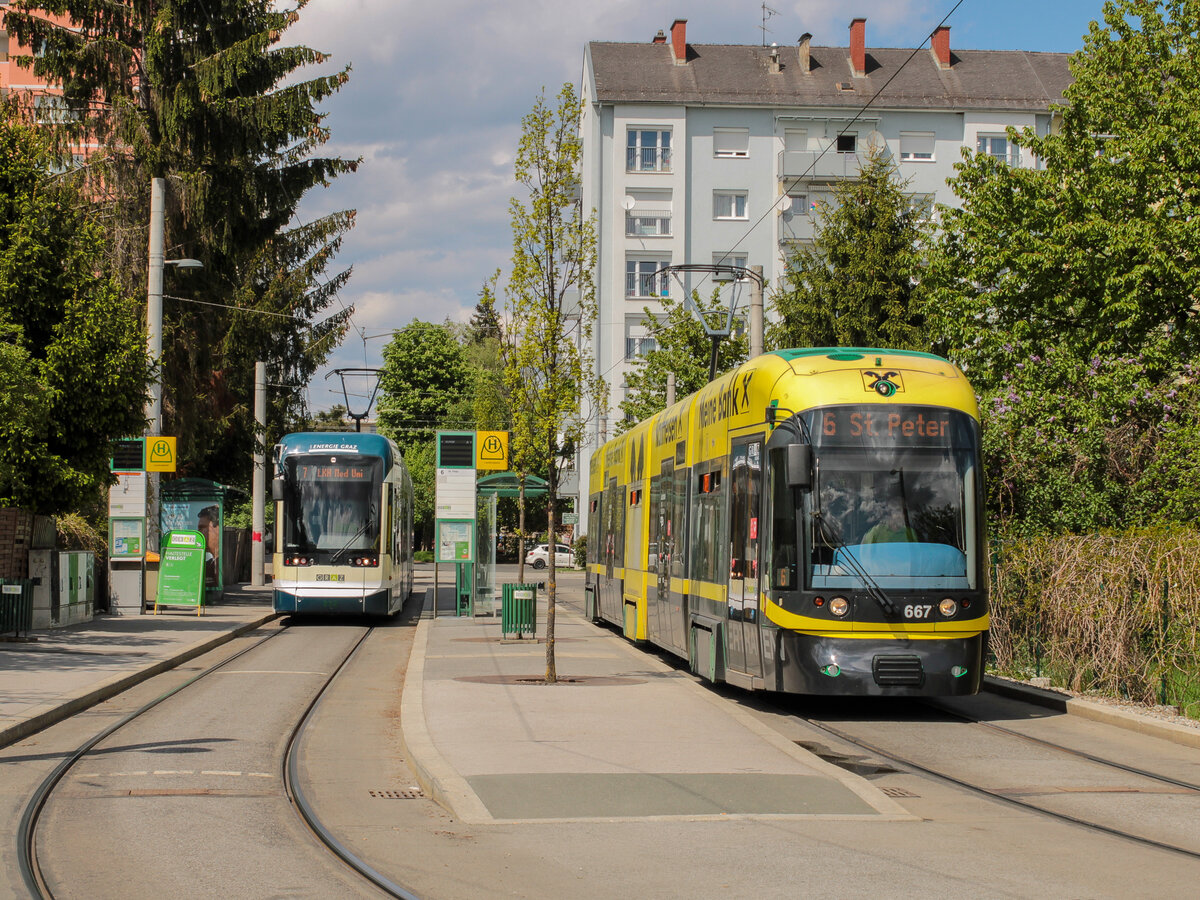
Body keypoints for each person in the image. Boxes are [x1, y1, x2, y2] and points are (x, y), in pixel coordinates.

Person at [197, 506, 221, 586]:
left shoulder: (222, 562)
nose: (198, 534)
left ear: (217, 528)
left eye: (202, 528)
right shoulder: (209, 565)